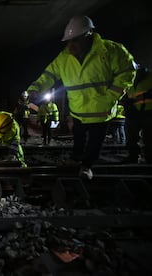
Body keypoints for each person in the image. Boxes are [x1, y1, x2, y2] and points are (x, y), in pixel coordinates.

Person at [25, 15, 136, 180]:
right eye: (68, 41)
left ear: (89, 35)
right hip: (77, 110)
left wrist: (111, 96)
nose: (70, 45)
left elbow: (128, 71)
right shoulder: (64, 57)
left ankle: (87, 166)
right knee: (79, 138)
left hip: (101, 109)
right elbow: (49, 75)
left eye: (75, 40)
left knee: (94, 142)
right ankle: (76, 160)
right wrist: (34, 89)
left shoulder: (110, 50)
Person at [123, 65, 152, 163]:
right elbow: (125, 94)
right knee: (131, 138)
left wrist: (137, 99)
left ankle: (149, 158)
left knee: (149, 138)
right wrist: (126, 102)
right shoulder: (128, 79)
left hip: (148, 113)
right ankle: (133, 156)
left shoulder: (150, 77)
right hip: (132, 113)